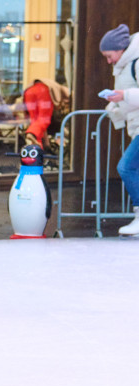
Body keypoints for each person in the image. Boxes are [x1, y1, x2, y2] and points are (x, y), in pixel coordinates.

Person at [100, 23, 139, 237]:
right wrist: (116, 104)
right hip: (137, 127)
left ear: (120, 49)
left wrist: (122, 96)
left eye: (109, 55)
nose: (108, 61)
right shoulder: (125, 65)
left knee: (126, 167)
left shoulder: (135, 63)